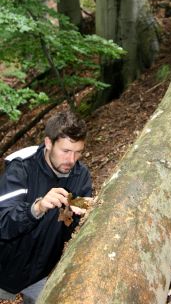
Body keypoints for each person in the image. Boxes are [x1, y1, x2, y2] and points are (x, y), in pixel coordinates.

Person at [0, 111, 92, 303]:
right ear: (49, 143)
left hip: (40, 271)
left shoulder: (80, 175)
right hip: (4, 266)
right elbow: (3, 222)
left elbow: (72, 226)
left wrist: (83, 212)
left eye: (78, 152)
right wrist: (37, 208)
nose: (71, 160)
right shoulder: (22, 169)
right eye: (65, 151)